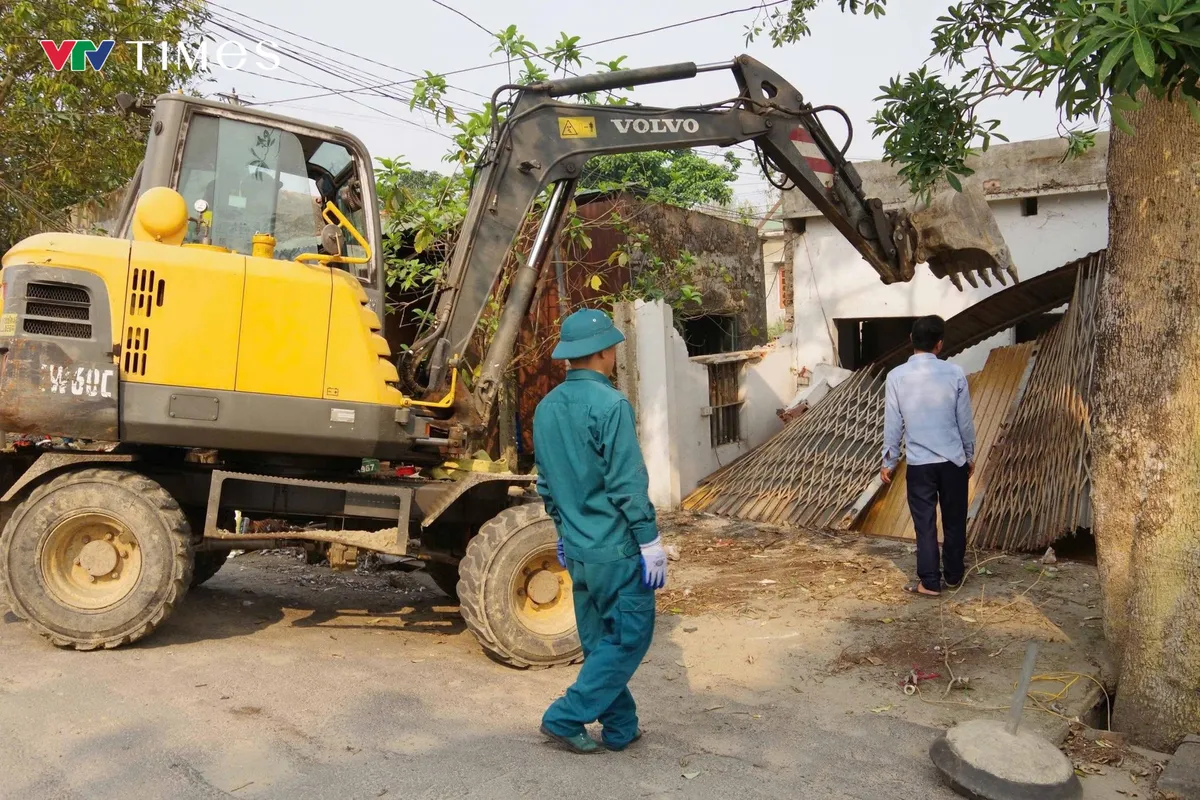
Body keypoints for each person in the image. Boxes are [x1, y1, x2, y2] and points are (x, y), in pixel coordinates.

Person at [533, 308, 667, 755]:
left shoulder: (546, 408)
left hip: (578, 549)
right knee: (629, 638)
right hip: (618, 549)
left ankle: (621, 728)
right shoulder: (611, 405)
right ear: (605, 352)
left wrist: (564, 533)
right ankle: (565, 716)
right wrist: (648, 540)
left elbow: (547, 485)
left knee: (599, 643)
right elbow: (628, 484)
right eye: (613, 349)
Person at [880, 315, 976, 598]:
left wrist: (889, 461)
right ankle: (955, 576)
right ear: (939, 344)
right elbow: (965, 422)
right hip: (952, 462)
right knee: (955, 519)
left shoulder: (896, 377)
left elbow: (893, 424)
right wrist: (969, 455)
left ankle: (930, 582)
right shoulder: (955, 374)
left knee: (924, 523)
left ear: (911, 340)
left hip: (920, 465)